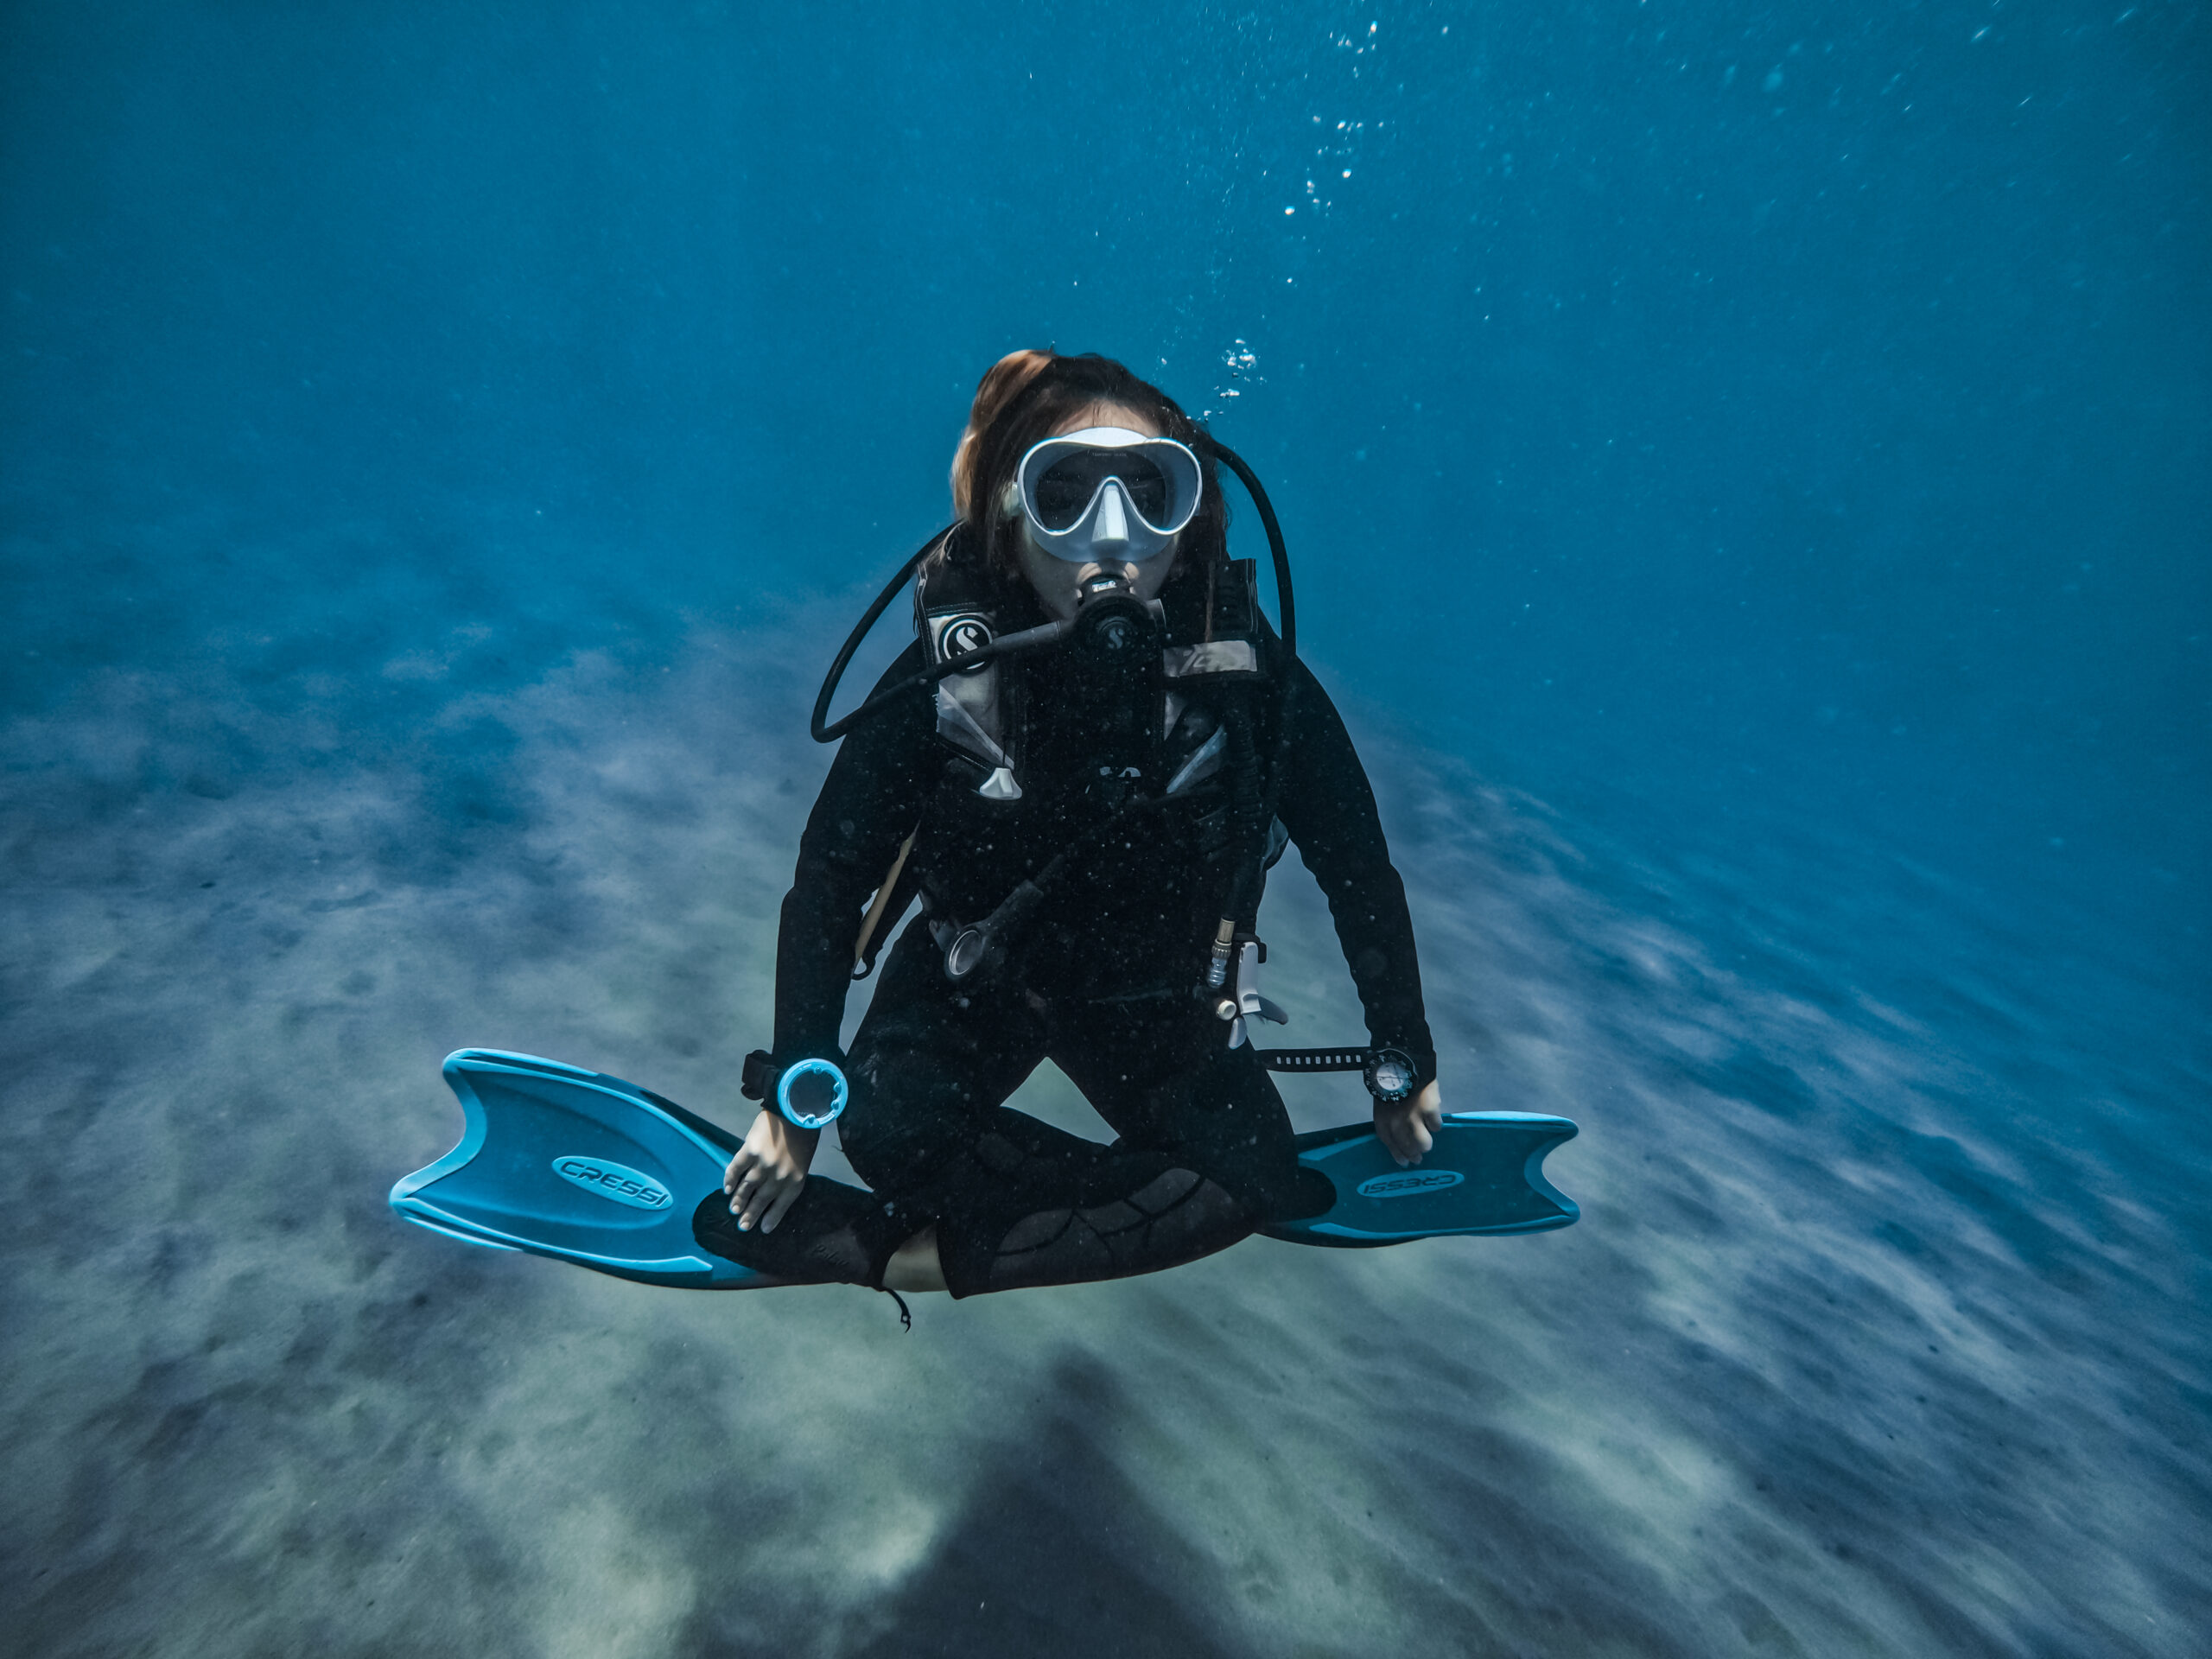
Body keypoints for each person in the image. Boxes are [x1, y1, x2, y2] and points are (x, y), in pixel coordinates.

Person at [692, 349, 1442, 1300]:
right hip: (974, 973)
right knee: (886, 1131)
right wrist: (796, 1091)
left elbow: (1356, 866)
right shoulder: (952, 675)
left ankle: (879, 1252)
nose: (1114, 535)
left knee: (1255, 1180)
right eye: (1066, 494)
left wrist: (1403, 1051)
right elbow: (833, 875)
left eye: (1149, 492)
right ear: (1010, 520)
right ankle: (1149, 1205)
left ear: (1190, 521)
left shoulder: (1247, 682)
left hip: (1154, 995)